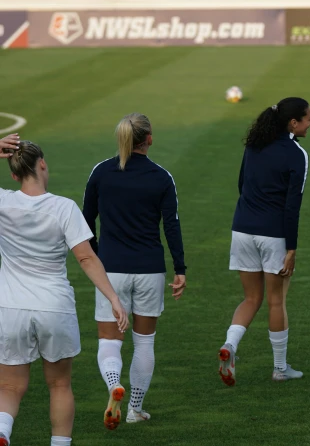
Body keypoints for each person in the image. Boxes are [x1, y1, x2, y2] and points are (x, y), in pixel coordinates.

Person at [0, 135, 128, 446]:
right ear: (43, 164)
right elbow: (85, 257)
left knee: (9, 388)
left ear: (14, 174)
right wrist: (113, 298)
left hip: (10, 308)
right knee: (59, 384)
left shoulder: (3, 202)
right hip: (53, 307)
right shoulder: (64, 208)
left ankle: (2, 432)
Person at [83, 113, 187, 429]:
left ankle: (114, 384)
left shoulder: (101, 172)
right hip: (150, 270)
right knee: (144, 343)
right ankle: (134, 409)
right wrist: (180, 268)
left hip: (110, 269)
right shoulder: (161, 177)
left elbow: (86, 222)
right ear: (149, 139)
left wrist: (99, 256)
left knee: (109, 342)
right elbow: (172, 225)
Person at [218, 98, 310, 387]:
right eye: (307, 118)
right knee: (276, 300)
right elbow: (292, 206)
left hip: (242, 229)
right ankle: (280, 369)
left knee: (250, 298)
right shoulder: (297, 154)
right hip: (274, 235)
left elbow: (241, 185)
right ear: (292, 123)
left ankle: (230, 346)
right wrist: (292, 248)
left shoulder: (254, 145)